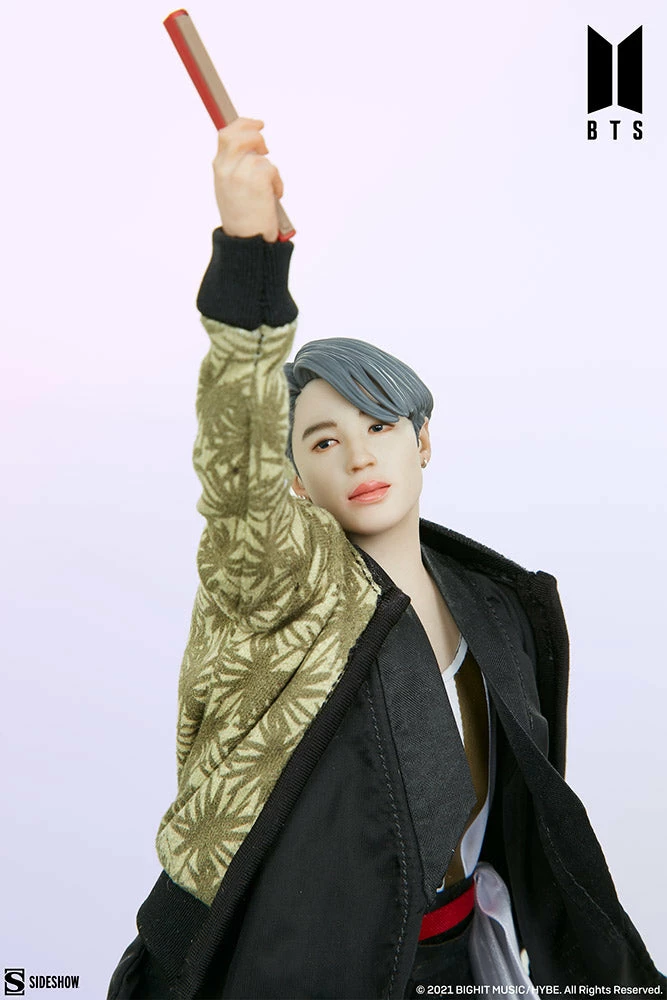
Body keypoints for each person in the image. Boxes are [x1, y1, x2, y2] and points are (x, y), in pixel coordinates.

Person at [107, 118, 666, 1000]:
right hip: (287, 960)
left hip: (459, 951)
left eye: (379, 424)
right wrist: (250, 259)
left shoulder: (489, 603)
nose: (359, 455)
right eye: (322, 440)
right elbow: (237, 460)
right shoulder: (286, 588)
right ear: (295, 479)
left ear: (422, 439)